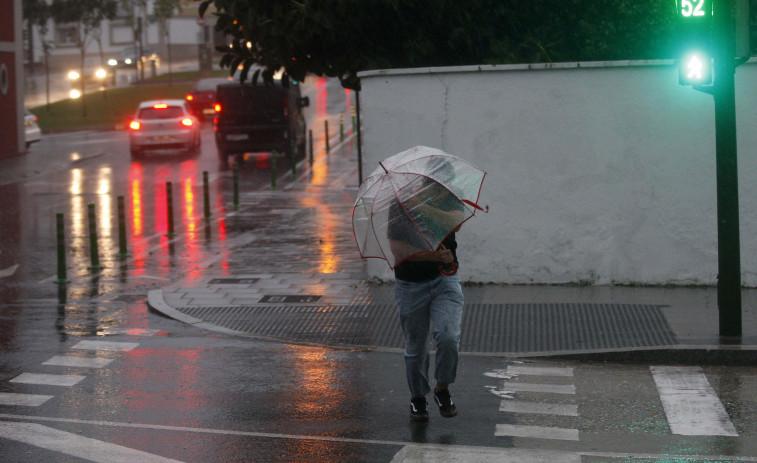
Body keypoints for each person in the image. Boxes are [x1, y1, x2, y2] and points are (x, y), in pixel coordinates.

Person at [387, 166, 465, 422]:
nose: (444, 188)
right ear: (426, 180)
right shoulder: (399, 204)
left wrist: (421, 205)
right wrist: (432, 256)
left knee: (448, 335)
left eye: (446, 183)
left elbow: (454, 222)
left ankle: (442, 388)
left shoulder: (449, 198)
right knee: (416, 346)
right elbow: (398, 251)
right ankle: (418, 397)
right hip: (411, 284)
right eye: (438, 183)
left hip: (445, 279)